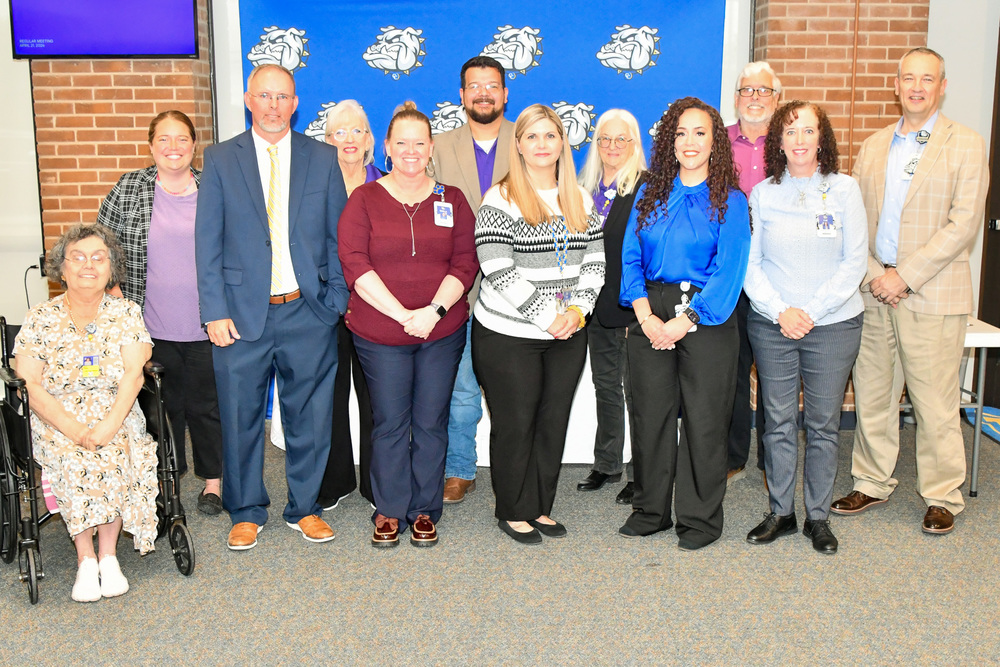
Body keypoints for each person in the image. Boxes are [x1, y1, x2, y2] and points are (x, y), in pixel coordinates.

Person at [831, 47, 989, 535]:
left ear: (942, 87)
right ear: (895, 86)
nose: (917, 87)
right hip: (875, 288)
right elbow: (856, 223)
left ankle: (942, 494)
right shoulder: (874, 146)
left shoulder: (965, 143)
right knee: (874, 393)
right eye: (908, 78)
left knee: (934, 399)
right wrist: (878, 272)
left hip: (932, 291)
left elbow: (963, 224)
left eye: (928, 79)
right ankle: (872, 481)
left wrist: (907, 275)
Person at [195, 63, 349, 550]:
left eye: (283, 97)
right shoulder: (220, 158)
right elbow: (208, 243)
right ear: (248, 99)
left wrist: (334, 302)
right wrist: (214, 310)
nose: (274, 106)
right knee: (240, 417)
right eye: (264, 96)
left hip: (308, 312)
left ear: (296, 102)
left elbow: (336, 238)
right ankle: (245, 509)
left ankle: (305, 507)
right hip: (240, 315)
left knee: (310, 415)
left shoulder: (321, 158)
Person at [339, 102, 477, 548]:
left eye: (420, 143)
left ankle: (423, 509)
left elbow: (465, 261)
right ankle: (389, 509)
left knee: (432, 420)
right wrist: (402, 315)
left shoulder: (452, 199)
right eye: (402, 143)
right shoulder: (364, 198)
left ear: (431, 146)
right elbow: (354, 262)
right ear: (387, 147)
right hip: (381, 334)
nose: (411, 151)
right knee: (390, 422)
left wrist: (432, 312)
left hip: (442, 331)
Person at [619, 97, 750, 550]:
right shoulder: (649, 191)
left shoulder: (731, 200)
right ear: (669, 142)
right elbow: (630, 258)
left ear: (715, 142)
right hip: (649, 313)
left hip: (707, 316)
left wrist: (685, 320)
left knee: (704, 420)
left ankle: (698, 519)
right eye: (681, 133)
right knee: (650, 416)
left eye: (700, 133)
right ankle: (651, 510)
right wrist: (645, 315)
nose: (689, 142)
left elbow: (730, 270)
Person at [473, 103, 605, 545]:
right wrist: (549, 317)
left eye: (550, 136)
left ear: (562, 143)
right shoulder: (501, 198)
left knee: (552, 421)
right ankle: (513, 509)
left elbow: (595, 263)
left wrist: (576, 313)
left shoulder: (580, 197)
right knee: (516, 422)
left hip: (568, 331)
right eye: (533, 137)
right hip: (509, 334)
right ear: (520, 146)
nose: (542, 144)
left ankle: (539, 505)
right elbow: (497, 268)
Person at [743, 101, 868, 554]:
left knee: (823, 424)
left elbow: (854, 263)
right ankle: (781, 512)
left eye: (808, 131)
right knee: (776, 421)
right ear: (777, 140)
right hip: (773, 324)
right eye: (790, 131)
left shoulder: (844, 190)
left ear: (822, 138)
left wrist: (810, 311)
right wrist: (781, 311)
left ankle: (817, 517)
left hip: (833, 325)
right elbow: (750, 266)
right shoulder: (762, 194)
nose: (799, 139)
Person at [14, 224, 156, 602]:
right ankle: (85, 559)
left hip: (116, 409)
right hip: (56, 415)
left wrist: (109, 425)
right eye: (77, 258)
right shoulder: (39, 318)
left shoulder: (127, 312)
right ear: (61, 268)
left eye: (98, 258)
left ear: (112, 269)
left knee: (117, 448)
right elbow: (29, 384)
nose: (88, 265)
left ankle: (108, 557)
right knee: (72, 456)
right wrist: (76, 430)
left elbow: (133, 375)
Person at [98, 110, 223, 517]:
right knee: (161, 409)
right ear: (151, 145)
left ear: (193, 145)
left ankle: (213, 484)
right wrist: (116, 299)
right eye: (164, 140)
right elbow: (103, 245)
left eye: (182, 139)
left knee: (207, 407)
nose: (173, 148)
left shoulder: (213, 187)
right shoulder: (130, 188)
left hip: (208, 324)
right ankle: (167, 480)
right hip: (150, 328)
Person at [432, 55, 515, 504]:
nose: (483, 92)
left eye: (492, 85)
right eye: (474, 85)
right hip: (457, 287)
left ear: (505, 93)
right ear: (461, 95)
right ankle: (460, 468)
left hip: (517, 291)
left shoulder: (529, 141)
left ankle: (516, 467)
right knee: (462, 389)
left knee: (513, 390)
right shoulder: (439, 148)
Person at [575, 109, 647, 505]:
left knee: (637, 391)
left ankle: (641, 472)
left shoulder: (647, 188)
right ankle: (607, 463)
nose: (613, 146)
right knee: (605, 386)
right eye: (605, 138)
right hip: (592, 305)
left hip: (632, 304)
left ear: (634, 144)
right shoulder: (582, 187)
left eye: (622, 139)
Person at [316, 99, 382, 509]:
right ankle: (335, 478)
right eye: (339, 132)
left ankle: (378, 483)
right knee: (331, 395)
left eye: (357, 130)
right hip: (327, 307)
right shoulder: (311, 185)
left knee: (378, 397)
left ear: (370, 139)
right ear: (327, 140)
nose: (349, 139)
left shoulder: (387, 184)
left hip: (378, 307)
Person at [726, 61, 782, 485]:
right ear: (737, 97)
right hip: (728, 274)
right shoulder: (718, 143)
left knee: (773, 369)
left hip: (778, 274)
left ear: (776, 98)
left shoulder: (792, 144)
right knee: (731, 365)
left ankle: (771, 461)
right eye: (748, 90)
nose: (755, 97)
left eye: (764, 90)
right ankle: (731, 457)